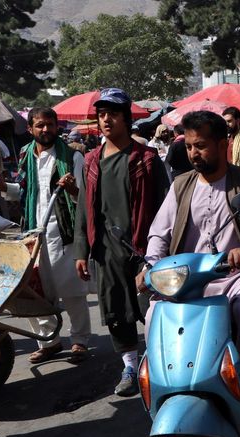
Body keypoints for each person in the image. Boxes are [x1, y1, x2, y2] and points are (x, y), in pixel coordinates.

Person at [143, 110, 240, 416]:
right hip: (188, 278)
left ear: (223, 144)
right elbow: (159, 232)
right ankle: (164, 384)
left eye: (202, 145)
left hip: (236, 275)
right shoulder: (180, 185)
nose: (194, 153)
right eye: (190, 146)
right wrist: (151, 266)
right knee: (156, 314)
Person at [72, 88, 170, 396]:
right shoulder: (92, 160)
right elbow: (84, 209)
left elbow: (167, 206)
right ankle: (130, 365)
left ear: (126, 119)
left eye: (112, 113)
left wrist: (164, 249)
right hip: (106, 250)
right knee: (116, 310)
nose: (106, 119)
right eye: (101, 115)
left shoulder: (147, 159)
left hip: (143, 248)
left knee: (153, 306)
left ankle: (162, 362)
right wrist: (81, 250)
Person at [0, 107, 93, 364]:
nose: (45, 130)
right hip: (32, 232)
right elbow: (22, 193)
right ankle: (48, 341)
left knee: (72, 291)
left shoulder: (71, 157)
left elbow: (83, 199)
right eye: (39, 125)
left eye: (50, 124)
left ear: (57, 127)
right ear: (30, 128)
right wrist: (4, 187)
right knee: (33, 290)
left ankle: (79, 340)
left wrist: (72, 189)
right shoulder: (25, 156)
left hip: (63, 232)